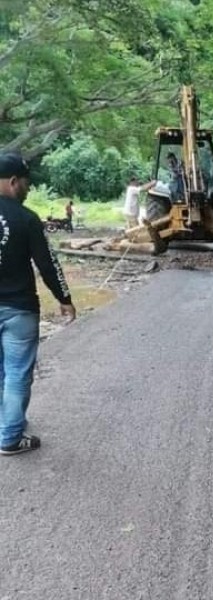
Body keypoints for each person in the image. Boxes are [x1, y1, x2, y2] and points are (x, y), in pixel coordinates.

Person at [0, 152, 76, 455]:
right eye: (27, 184)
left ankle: (9, 422)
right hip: (19, 309)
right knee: (17, 372)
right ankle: (10, 436)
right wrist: (65, 299)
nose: (29, 190)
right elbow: (48, 264)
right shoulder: (26, 218)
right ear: (14, 181)